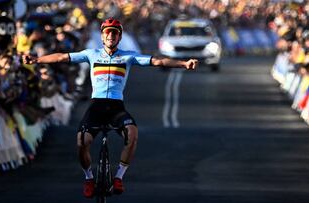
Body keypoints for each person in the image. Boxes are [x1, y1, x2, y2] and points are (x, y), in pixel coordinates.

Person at [22, 18, 198, 198]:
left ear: (119, 36)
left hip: (116, 108)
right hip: (96, 107)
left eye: (115, 33)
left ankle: (118, 178)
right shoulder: (92, 54)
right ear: (102, 36)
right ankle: (89, 179)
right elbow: (61, 57)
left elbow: (159, 61)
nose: (111, 36)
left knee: (132, 134)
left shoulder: (128, 56)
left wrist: (183, 64)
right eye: (108, 32)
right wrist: (36, 60)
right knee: (81, 142)